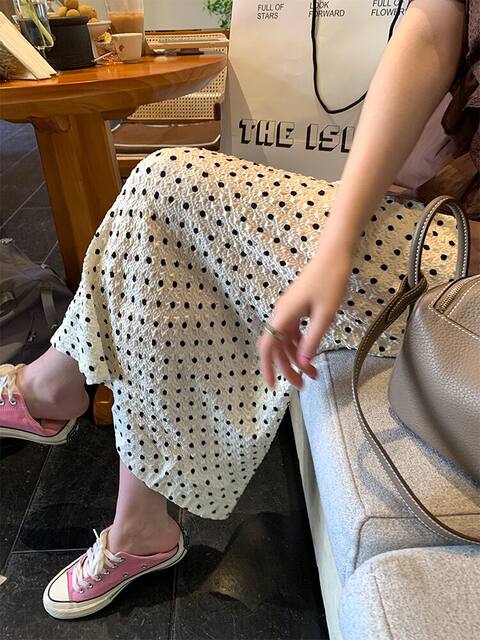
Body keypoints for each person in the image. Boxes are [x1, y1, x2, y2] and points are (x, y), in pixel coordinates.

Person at [0, 0, 477, 621]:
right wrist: (344, 228)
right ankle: (68, 414)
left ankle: (52, 395)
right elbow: (435, 28)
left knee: (166, 189)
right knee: (160, 207)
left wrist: (341, 236)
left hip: (463, 254)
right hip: (441, 217)